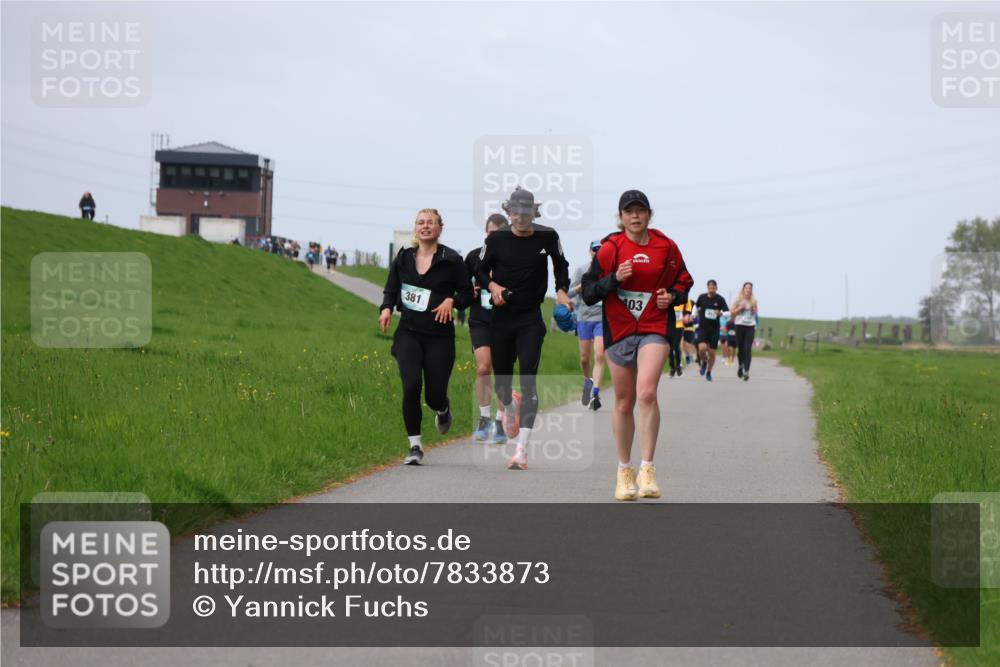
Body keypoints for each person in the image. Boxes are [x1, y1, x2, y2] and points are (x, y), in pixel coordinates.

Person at [582, 190, 693, 501]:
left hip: (654, 327)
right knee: (623, 401)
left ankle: (647, 468)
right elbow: (590, 293)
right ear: (620, 217)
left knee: (646, 392)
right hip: (619, 330)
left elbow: (684, 282)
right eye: (628, 211)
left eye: (640, 211)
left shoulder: (666, 246)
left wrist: (672, 296)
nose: (634, 216)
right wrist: (614, 278)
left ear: (648, 215)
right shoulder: (610, 249)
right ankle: (624, 470)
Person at [476, 187, 572, 470]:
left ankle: (521, 451)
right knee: (503, 383)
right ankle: (507, 404)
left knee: (529, 379)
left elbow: (561, 265)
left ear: (534, 211)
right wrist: (493, 287)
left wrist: (563, 291)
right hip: (502, 317)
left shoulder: (548, 236)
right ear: (509, 212)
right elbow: (480, 271)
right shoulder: (496, 239)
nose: (520, 217)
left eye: (525, 212)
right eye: (515, 212)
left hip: (530, 317)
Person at [379, 209, 473, 465]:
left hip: (439, 338)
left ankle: (443, 409)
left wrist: (451, 301)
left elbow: (467, 294)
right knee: (411, 386)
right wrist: (386, 308)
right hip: (409, 333)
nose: (425, 226)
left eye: (430, 222)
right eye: (421, 222)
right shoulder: (404, 258)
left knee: (434, 395)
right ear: (415, 229)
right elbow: (391, 288)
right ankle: (415, 446)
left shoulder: (451, 259)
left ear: (439, 228)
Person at [465, 214, 510, 442]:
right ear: (486, 233)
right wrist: (467, 293)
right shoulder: (474, 257)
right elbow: (460, 286)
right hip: (480, 319)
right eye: (491, 233)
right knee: (484, 367)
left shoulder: (512, 258)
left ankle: (500, 421)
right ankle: (484, 418)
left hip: (505, 321)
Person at [570, 240, 606, 409]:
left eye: (601, 249)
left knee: (599, 355)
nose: (597, 252)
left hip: (601, 319)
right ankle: (587, 382)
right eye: (595, 249)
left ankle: (596, 394)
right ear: (589, 251)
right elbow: (568, 293)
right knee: (584, 359)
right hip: (584, 317)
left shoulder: (608, 270)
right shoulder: (581, 270)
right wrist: (578, 288)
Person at [693, 280, 728, 382]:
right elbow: (696, 306)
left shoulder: (720, 299)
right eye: (710, 287)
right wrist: (694, 314)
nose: (711, 289)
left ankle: (708, 372)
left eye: (713, 287)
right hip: (703, 327)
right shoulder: (702, 297)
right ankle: (704, 362)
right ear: (707, 288)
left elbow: (727, 312)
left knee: (712, 353)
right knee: (702, 348)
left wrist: (720, 313)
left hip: (714, 329)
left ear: (716, 288)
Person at [731, 281, 759, 381]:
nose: (748, 290)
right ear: (743, 289)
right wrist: (740, 308)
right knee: (741, 349)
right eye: (746, 288)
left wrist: (752, 309)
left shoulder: (754, 300)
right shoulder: (738, 299)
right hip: (739, 325)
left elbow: (756, 312)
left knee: (748, 349)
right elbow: (732, 313)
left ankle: (746, 371)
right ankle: (740, 365)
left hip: (750, 326)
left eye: (750, 288)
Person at [668, 296, 690, 377]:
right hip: (669, 326)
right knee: (669, 348)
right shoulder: (668, 299)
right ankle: (672, 368)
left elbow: (688, 306)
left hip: (679, 326)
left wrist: (687, 315)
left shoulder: (682, 299)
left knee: (675, 346)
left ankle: (678, 366)